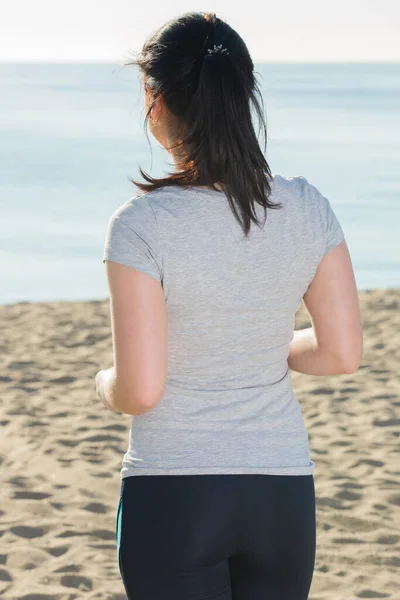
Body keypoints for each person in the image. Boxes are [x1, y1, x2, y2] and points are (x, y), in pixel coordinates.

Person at [97, 11, 363, 600]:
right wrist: (264, 346)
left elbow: (141, 390)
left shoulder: (141, 226)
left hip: (175, 492)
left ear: (154, 99)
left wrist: (104, 382)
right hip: (282, 495)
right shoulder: (308, 207)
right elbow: (342, 352)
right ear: (245, 94)